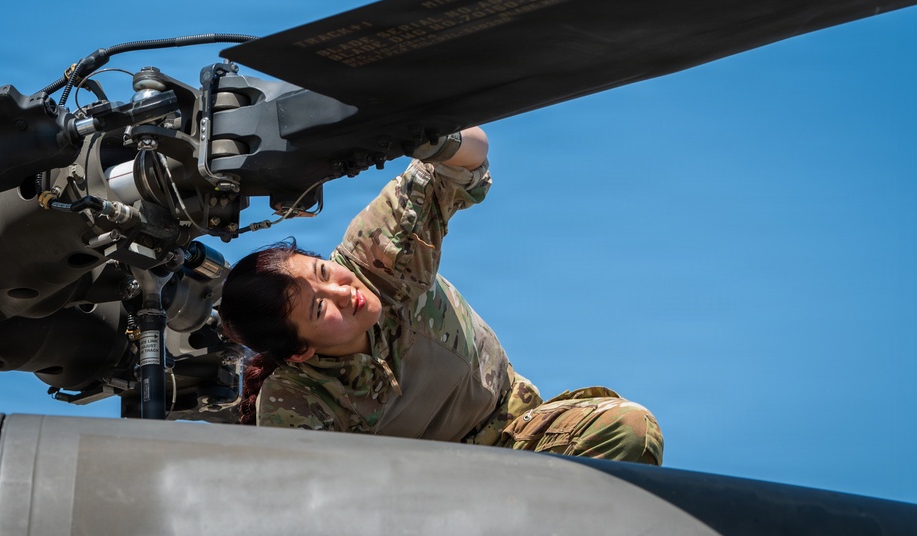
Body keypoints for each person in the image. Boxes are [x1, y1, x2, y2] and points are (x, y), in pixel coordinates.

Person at [219, 127, 663, 465]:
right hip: (435, 502)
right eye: (319, 308)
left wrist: (432, 136)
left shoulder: (378, 255)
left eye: (322, 271)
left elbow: (470, 157)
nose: (342, 291)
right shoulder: (296, 402)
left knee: (629, 429)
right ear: (299, 352)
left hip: (520, 437)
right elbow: (307, 506)